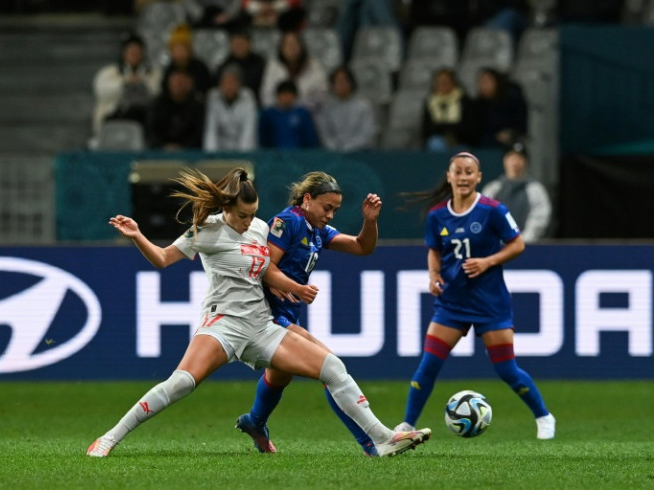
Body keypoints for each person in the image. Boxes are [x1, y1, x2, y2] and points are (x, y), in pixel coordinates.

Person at [87, 167, 432, 458]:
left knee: (333, 368)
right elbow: (163, 259)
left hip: (261, 325)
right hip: (222, 325)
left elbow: (266, 267)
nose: (248, 221)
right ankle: (109, 438)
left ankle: (383, 439)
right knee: (181, 383)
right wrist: (137, 236)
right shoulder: (205, 231)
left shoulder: (260, 228)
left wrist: (286, 284)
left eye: (253, 214)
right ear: (227, 207)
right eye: (242, 215)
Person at [394, 151, 556, 440]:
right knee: (428, 365)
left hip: (489, 303)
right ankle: (407, 425)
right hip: (452, 303)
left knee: (507, 370)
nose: (464, 177)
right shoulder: (437, 215)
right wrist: (434, 276)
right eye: (458, 171)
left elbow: (517, 245)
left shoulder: (493, 210)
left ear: (478, 177)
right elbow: (434, 249)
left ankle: (544, 416)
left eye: (469, 172)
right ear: (449, 176)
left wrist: (488, 261)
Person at [234, 171, 388, 456]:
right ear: (307, 199)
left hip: (287, 314)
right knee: (332, 370)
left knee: (280, 376)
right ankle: (370, 443)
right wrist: (295, 287)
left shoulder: (316, 230)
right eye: (326, 207)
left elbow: (361, 247)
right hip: (266, 315)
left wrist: (370, 221)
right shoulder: (288, 221)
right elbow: (265, 265)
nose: (330, 215)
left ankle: (255, 422)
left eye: (336, 210)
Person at [92, 33, 162, 138]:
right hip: (117, 120)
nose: (134, 54)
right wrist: (125, 83)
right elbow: (101, 91)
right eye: (130, 50)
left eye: (137, 51)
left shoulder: (154, 74)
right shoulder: (109, 73)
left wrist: (142, 83)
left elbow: (160, 92)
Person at [482, 144, 552, 242]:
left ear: (526, 162)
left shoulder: (535, 189)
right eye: (511, 158)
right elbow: (483, 217)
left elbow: (539, 218)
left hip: (527, 247)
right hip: (496, 249)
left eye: (519, 159)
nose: (515, 163)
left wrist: (522, 241)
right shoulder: (493, 189)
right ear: (504, 161)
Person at [259, 30, 328, 115]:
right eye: (287, 44)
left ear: (301, 47)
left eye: (294, 44)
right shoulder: (273, 67)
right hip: (279, 116)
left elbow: (321, 95)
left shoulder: (314, 66)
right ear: (281, 48)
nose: (291, 48)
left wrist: (299, 106)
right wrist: (281, 107)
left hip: (308, 115)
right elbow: (266, 96)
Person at [316, 65, 376, 151]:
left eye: (344, 81)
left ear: (351, 83)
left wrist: (348, 147)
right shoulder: (327, 109)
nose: (341, 85)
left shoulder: (364, 107)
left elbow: (366, 135)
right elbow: (325, 136)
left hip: (359, 152)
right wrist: (335, 147)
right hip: (334, 154)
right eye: (337, 82)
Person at [146, 66, 206, 150]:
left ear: (190, 83)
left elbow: (199, 134)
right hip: (160, 152)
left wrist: (183, 147)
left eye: (181, 82)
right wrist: (164, 146)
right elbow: (152, 132)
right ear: (168, 83)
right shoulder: (157, 104)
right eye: (175, 82)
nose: (178, 85)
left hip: (190, 153)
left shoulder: (197, 106)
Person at [203, 63, 258, 151]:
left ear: (239, 84)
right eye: (226, 83)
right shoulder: (213, 97)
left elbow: (249, 131)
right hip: (220, 148)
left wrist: (243, 156)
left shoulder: (248, 97)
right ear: (220, 84)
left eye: (232, 82)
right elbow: (211, 131)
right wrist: (212, 156)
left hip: (242, 148)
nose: (229, 86)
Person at [422, 68, 477, 152]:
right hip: (439, 140)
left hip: (461, 141)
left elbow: (470, 128)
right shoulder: (430, 102)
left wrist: (447, 128)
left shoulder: (464, 101)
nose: (442, 85)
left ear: (453, 82)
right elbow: (426, 129)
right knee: (435, 143)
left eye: (445, 82)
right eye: (439, 82)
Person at [473, 67, 528, 149]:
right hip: (484, 146)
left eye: (486, 81)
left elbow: (520, 125)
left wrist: (510, 133)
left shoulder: (511, 99)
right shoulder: (478, 104)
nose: (483, 85)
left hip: (508, 145)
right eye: (480, 81)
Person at [259, 79, 320, 149]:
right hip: (275, 155)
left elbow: (310, 138)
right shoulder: (268, 114)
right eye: (284, 94)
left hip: (300, 155)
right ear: (278, 95)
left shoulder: (303, 113)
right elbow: (264, 138)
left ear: (295, 96)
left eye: (290, 95)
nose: (287, 98)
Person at [214, 29, 265, 105]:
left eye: (242, 42)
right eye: (236, 42)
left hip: (256, 103)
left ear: (249, 43)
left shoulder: (260, 63)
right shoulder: (224, 65)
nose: (239, 46)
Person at [162, 24, 214, 98]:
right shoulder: (168, 71)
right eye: (176, 49)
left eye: (182, 48)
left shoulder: (200, 68)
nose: (179, 52)